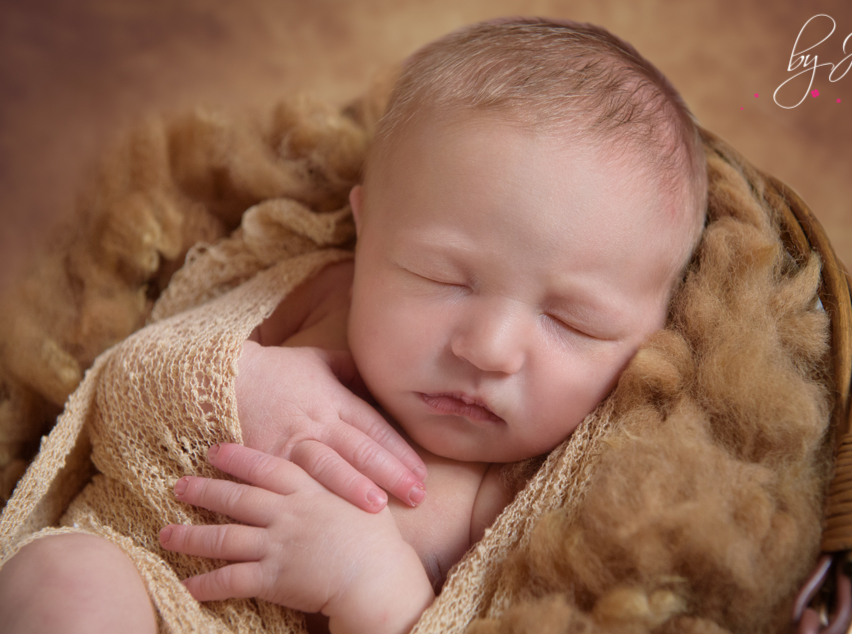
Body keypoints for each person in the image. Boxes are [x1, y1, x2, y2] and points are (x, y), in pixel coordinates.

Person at [0, 17, 707, 634]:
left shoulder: (540, 496)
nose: (487, 349)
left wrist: (375, 588)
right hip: (147, 587)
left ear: (651, 335)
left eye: (570, 321)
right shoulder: (320, 295)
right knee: (67, 577)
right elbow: (120, 396)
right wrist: (239, 378)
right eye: (444, 278)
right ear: (367, 232)